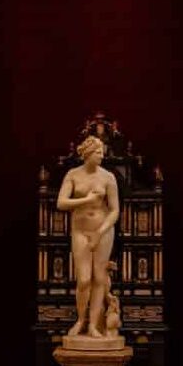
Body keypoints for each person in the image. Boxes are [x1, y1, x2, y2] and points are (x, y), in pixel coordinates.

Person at [56, 135, 120, 339]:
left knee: (99, 277)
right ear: (87, 154)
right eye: (98, 152)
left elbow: (115, 210)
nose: (102, 155)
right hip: (80, 231)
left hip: (103, 231)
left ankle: (93, 325)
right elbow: (61, 203)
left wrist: (100, 232)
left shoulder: (108, 177)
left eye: (102, 152)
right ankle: (80, 320)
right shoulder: (73, 175)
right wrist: (87, 199)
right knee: (84, 279)